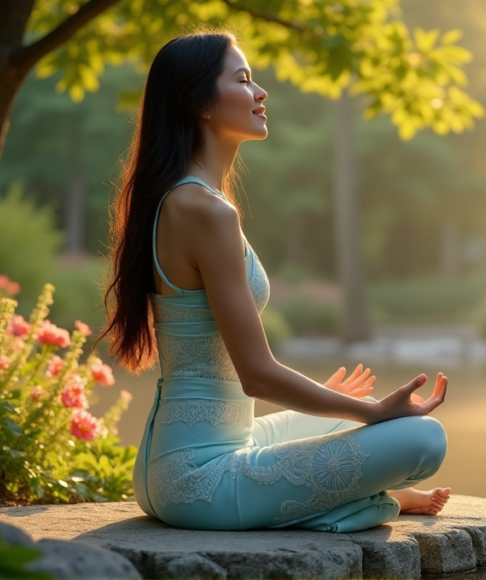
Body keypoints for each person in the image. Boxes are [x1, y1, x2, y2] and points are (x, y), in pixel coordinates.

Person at [97, 30, 451, 533]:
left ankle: (356, 490)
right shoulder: (204, 210)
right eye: (242, 80)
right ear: (199, 102)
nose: (261, 92)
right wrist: (368, 412)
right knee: (423, 440)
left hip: (171, 468)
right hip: (200, 483)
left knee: (337, 413)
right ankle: (379, 500)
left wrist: (338, 406)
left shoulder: (180, 201)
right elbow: (257, 375)